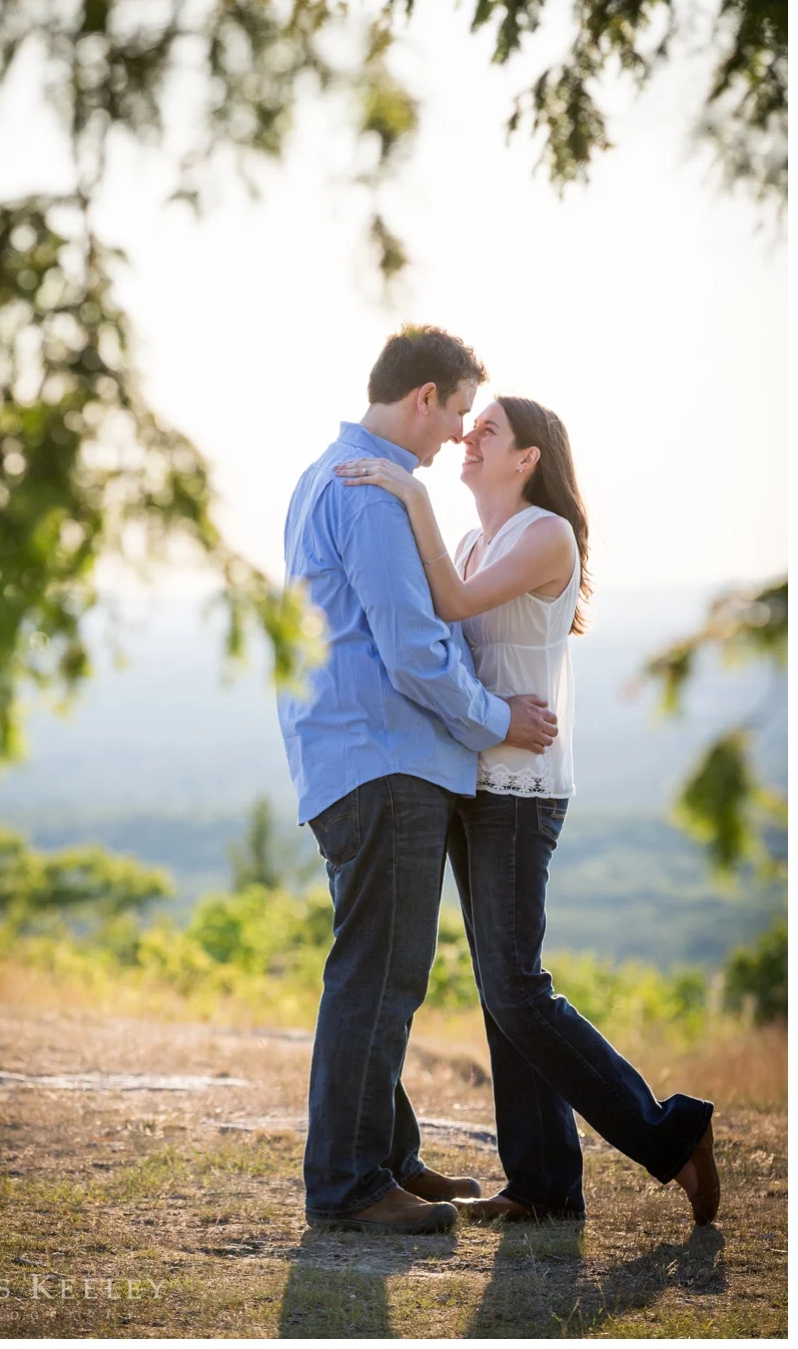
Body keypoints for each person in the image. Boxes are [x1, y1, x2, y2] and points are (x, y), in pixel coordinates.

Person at [336, 394, 719, 1226]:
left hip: (521, 791)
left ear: (528, 458)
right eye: (469, 430)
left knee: (515, 988)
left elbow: (451, 606)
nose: (469, 441)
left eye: (488, 432)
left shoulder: (547, 532)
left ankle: (670, 1134)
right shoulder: (478, 539)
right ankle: (544, 1185)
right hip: (474, 783)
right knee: (499, 988)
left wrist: (408, 491)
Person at [278, 324, 561, 1236]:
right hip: (385, 758)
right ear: (423, 400)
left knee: (379, 967)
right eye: (459, 415)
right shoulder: (369, 494)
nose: (455, 439)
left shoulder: (330, 471)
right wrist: (497, 718)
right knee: (379, 975)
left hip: (357, 757)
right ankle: (352, 1187)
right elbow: (413, 647)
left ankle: (387, 1162)